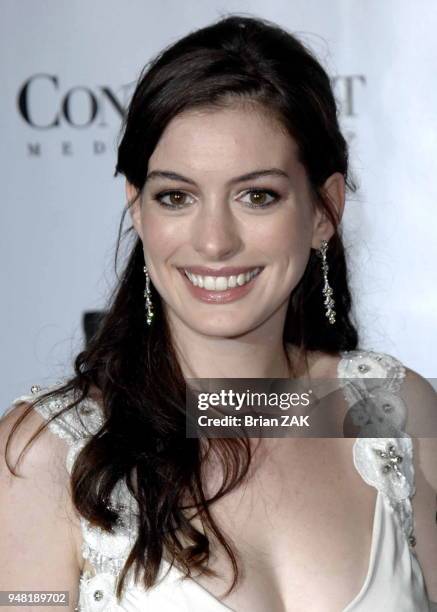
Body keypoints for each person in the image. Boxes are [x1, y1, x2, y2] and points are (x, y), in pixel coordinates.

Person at [1, 14, 436, 612]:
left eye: (257, 195)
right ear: (138, 209)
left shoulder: (393, 410)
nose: (213, 242)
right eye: (175, 197)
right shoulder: (45, 455)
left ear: (324, 211)